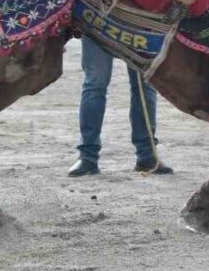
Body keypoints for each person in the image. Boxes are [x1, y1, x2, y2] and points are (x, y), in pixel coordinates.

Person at [66, 38, 172, 177]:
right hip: (96, 24)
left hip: (140, 23)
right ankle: (87, 157)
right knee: (95, 85)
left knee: (145, 86)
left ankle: (147, 155)